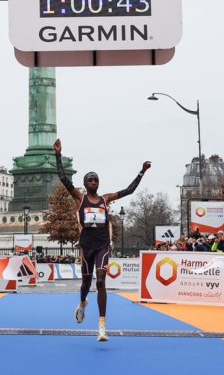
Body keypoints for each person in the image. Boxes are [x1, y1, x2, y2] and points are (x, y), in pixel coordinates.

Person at [54, 138, 151, 342]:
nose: (94, 183)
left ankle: (102, 327)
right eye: (90, 180)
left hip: (103, 245)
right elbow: (63, 179)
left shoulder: (105, 199)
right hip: (86, 245)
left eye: (96, 180)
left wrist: (141, 172)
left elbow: (128, 190)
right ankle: (82, 304)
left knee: (100, 281)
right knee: (86, 283)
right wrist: (58, 155)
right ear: (85, 184)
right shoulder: (80, 198)